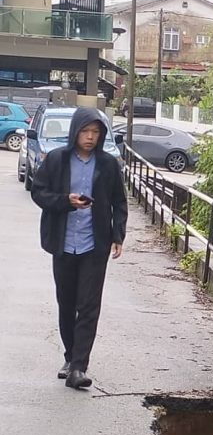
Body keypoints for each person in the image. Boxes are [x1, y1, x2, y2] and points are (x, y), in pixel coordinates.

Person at [31, 107, 128, 390]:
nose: (90, 138)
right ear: (75, 132)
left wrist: (118, 235)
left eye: (96, 133)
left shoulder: (108, 164)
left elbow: (119, 202)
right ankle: (70, 355)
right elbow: (39, 191)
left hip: (94, 244)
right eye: (85, 132)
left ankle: (78, 367)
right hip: (63, 242)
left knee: (88, 306)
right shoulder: (57, 159)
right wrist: (66, 200)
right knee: (67, 303)